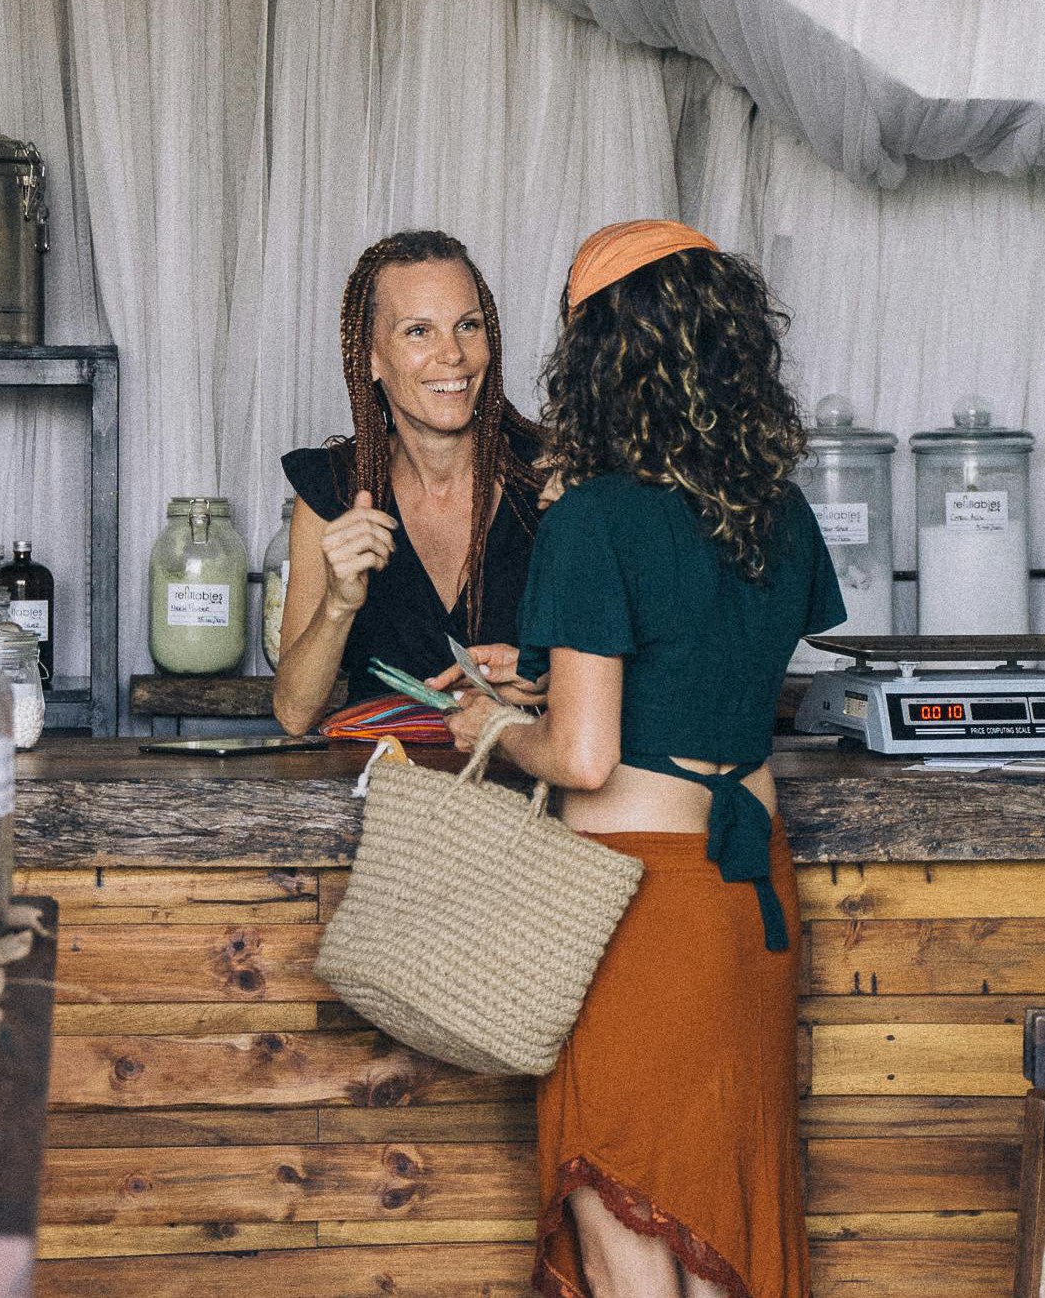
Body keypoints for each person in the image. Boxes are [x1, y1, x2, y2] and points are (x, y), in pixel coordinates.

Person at [440, 220, 843, 1298]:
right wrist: (546, 670)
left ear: (597, 361)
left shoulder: (593, 519)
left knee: (623, 1209)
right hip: (749, 899)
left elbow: (582, 756)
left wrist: (493, 727)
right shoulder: (779, 514)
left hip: (637, 909)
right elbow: (704, 662)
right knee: (718, 1219)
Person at [273, 230, 549, 735]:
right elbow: (294, 714)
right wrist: (338, 603)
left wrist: (552, 679)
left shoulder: (551, 479)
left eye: (467, 326)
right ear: (371, 357)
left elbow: (643, 669)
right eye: (419, 331)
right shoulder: (333, 490)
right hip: (380, 778)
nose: (453, 354)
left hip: (522, 776)